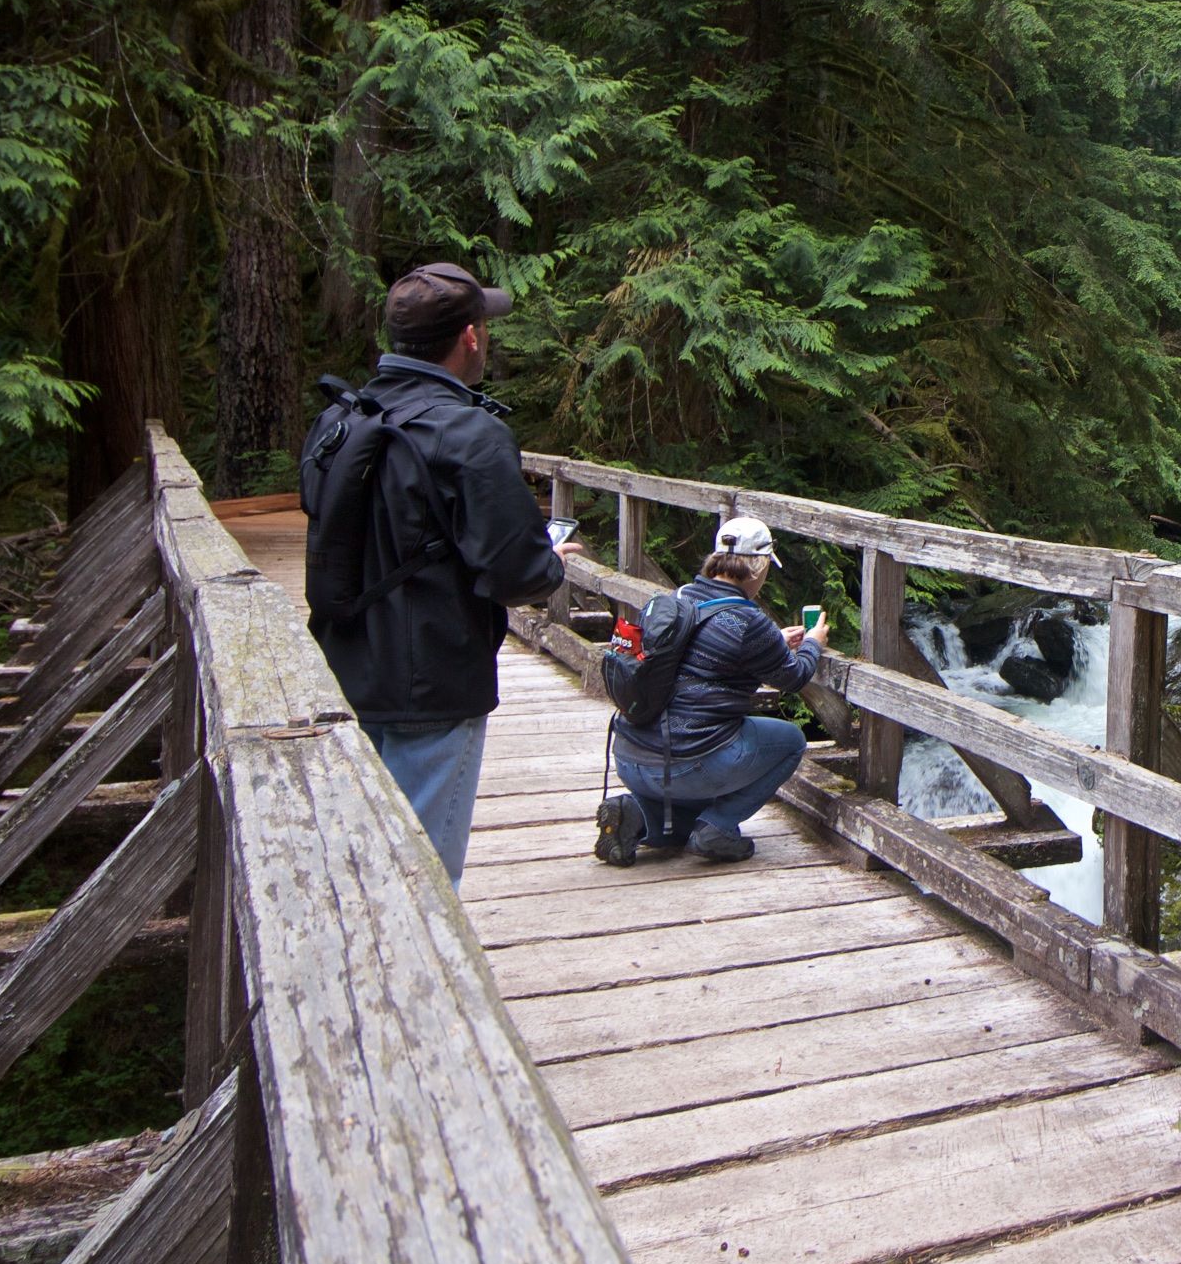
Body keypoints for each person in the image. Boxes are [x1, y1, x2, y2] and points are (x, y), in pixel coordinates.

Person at [304, 261, 573, 885]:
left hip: (346, 668)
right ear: (470, 337)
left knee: (359, 867)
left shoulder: (343, 418)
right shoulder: (470, 432)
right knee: (421, 882)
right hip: (434, 679)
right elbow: (517, 574)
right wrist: (550, 563)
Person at [602, 516, 825, 864]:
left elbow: (705, 646)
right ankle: (718, 828)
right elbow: (794, 677)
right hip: (682, 767)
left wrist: (774, 642)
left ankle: (636, 814)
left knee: (692, 808)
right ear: (759, 566)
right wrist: (813, 643)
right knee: (791, 741)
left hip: (630, 757)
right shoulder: (748, 621)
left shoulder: (678, 598)